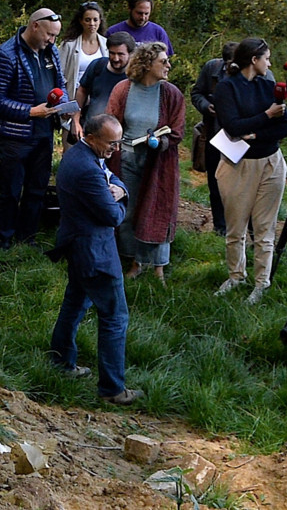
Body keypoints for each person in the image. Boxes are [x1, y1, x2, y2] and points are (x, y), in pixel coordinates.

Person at [49, 113, 140, 405]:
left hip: (77, 245)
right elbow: (113, 216)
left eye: (118, 143)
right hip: (96, 252)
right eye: (111, 144)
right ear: (91, 137)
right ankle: (113, 389)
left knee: (75, 303)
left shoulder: (78, 154)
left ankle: (61, 362)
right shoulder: (86, 169)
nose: (115, 150)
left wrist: (118, 188)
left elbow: (109, 177)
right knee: (115, 317)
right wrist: (122, 197)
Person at [212, 37, 287, 303]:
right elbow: (233, 126)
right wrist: (266, 117)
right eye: (266, 58)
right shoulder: (227, 88)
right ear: (254, 60)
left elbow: (285, 128)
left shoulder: (270, 86)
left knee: (264, 227)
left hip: (271, 162)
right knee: (236, 227)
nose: (269, 63)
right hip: (238, 165)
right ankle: (236, 275)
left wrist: (256, 132)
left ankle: (262, 282)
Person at [0, 8, 66, 249]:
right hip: (15, 136)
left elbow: (59, 84)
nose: (52, 41)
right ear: (35, 27)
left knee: (37, 188)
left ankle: (27, 237)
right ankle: (3, 239)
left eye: (55, 36)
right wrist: (31, 112)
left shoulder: (51, 52)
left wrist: (65, 102)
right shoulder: (6, 55)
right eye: (49, 35)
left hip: (44, 132)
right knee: (11, 190)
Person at [106, 43, 183, 280]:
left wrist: (160, 142)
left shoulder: (171, 94)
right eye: (163, 61)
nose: (168, 65)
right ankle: (133, 260)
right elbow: (112, 121)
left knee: (157, 209)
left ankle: (158, 265)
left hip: (157, 162)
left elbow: (177, 131)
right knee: (128, 208)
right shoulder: (123, 89)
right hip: (126, 157)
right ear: (147, 64)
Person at [191, 43, 232, 237]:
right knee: (215, 182)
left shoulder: (253, 71)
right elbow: (196, 93)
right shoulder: (211, 69)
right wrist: (207, 106)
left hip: (240, 137)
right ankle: (220, 226)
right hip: (214, 134)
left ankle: (241, 224)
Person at [56, 2, 107, 104]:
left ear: (100, 21)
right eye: (88, 20)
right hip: (74, 98)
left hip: (98, 100)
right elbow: (59, 75)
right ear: (81, 21)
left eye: (95, 20)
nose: (92, 24)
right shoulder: (69, 45)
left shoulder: (106, 45)